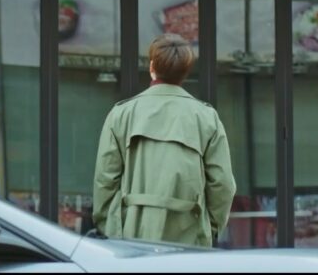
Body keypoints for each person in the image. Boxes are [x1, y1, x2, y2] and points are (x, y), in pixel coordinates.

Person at [92, 34, 236, 247]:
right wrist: (208, 227)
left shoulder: (121, 114)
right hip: (190, 239)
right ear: (185, 72)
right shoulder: (206, 118)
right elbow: (222, 184)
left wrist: (112, 230)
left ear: (152, 67)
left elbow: (105, 180)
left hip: (131, 241)